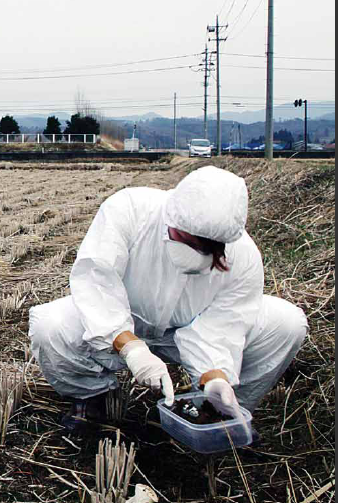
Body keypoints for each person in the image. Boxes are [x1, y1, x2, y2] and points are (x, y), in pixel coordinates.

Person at [29, 166, 308, 433]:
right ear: (171, 216)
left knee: (286, 323)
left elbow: (225, 324)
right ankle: (91, 397)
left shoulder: (244, 257)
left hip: (187, 330)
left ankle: (224, 411)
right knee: (50, 326)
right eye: (184, 238)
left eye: (204, 247)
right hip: (124, 323)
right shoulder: (130, 209)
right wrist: (129, 346)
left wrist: (215, 375)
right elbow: (97, 281)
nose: (193, 251)